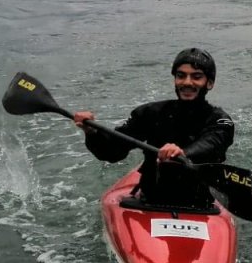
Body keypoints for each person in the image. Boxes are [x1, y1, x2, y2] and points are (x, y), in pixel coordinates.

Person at [72, 48, 234, 209]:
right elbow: (112, 152)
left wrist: (182, 153)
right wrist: (92, 132)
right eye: (180, 76)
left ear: (210, 83)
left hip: (202, 206)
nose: (187, 82)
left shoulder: (220, 121)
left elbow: (212, 143)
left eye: (196, 77)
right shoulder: (150, 114)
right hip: (150, 203)